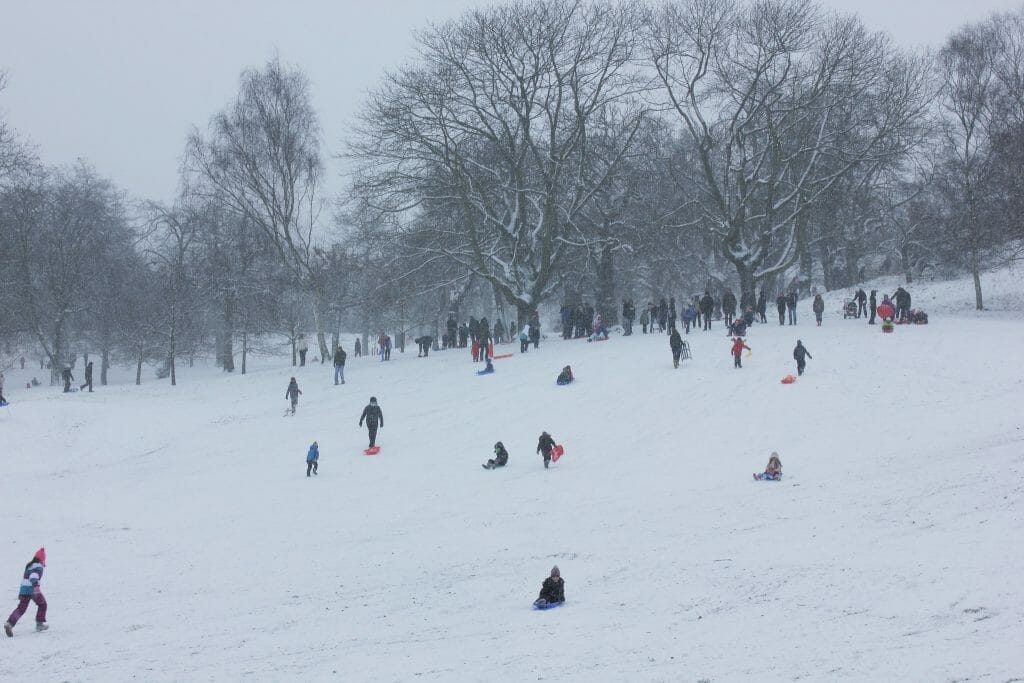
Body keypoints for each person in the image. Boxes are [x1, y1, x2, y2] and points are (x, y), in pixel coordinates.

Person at [4, 547, 48, 636]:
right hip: (32, 589)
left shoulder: (30, 565)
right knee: (43, 604)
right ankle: (39, 624)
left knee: (21, 609)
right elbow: (33, 576)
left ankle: (9, 624)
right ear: (42, 559)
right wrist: (35, 586)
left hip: (24, 589)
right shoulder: (38, 566)